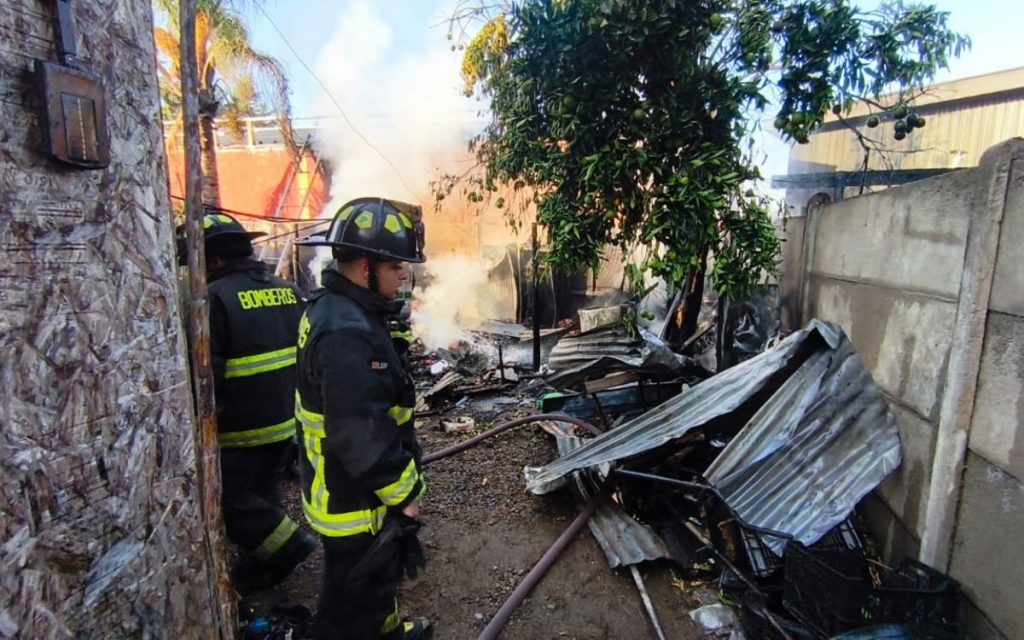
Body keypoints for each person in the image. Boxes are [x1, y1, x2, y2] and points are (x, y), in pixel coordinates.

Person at [295, 197, 431, 640]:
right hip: (353, 497)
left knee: (374, 583)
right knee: (351, 602)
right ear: (365, 267)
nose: (402, 276)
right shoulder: (347, 333)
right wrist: (405, 493)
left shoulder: (337, 309)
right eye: (395, 268)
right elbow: (361, 433)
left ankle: (386, 630)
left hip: (343, 484)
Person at [178, 211, 316, 595]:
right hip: (290, 422)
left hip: (240, 429)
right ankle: (263, 560)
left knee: (229, 500)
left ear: (215, 260)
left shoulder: (212, 300)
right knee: (262, 493)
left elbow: (208, 375)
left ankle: (287, 549)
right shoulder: (286, 289)